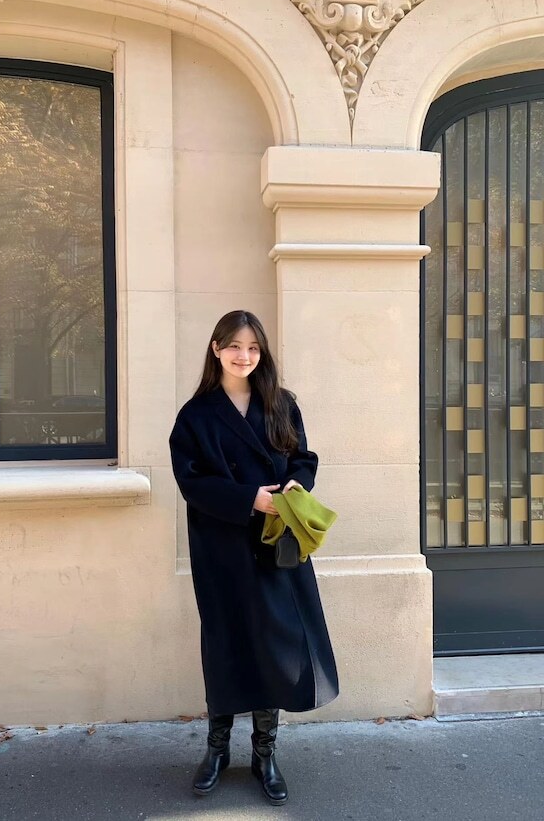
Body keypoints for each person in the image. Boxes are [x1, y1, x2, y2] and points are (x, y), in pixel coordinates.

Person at [169, 310, 338, 806]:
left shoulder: (280, 404)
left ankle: (265, 754)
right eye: (234, 346)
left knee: (275, 645)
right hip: (221, 547)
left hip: (276, 546)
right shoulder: (196, 415)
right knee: (224, 642)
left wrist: (295, 485)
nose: (244, 356)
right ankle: (217, 750)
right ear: (216, 349)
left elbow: (303, 458)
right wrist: (250, 499)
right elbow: (191, 481)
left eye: (253, 348)